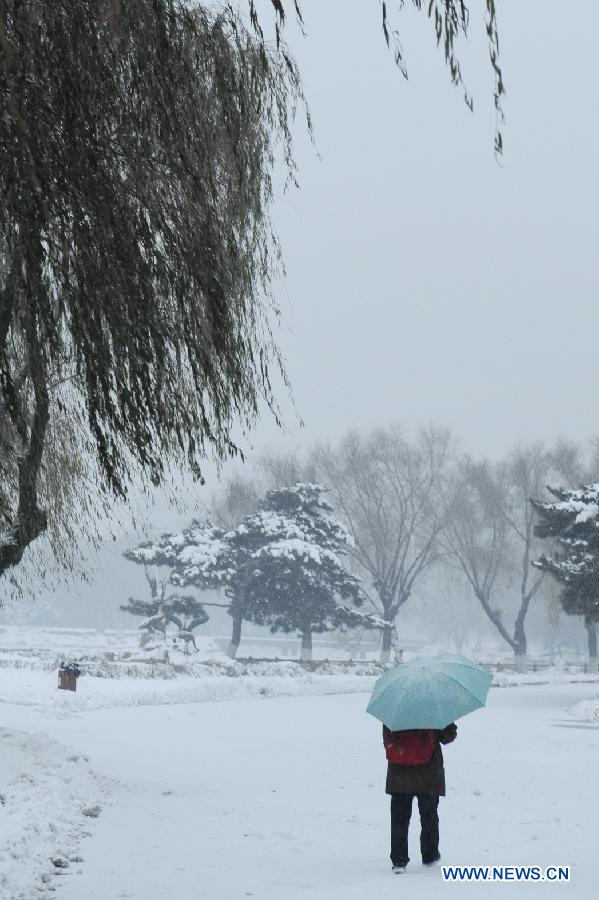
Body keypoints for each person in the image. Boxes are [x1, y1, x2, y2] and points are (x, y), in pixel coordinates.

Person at [383, 723, 457, 874]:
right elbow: (448, 737)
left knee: (399, 819)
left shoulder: (395, 709)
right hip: (428, 773)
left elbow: (387, 739)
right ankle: (430, 856)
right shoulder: (434, 710)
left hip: (400, 774)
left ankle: (399, 860)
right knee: (429, 816)